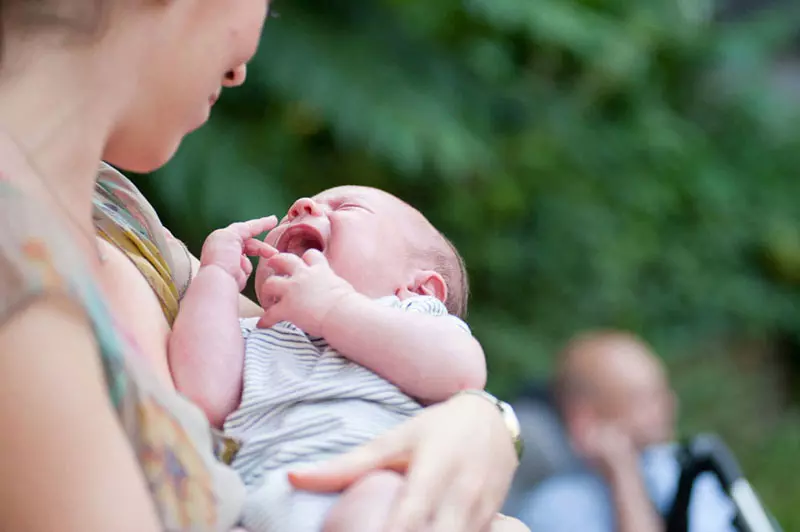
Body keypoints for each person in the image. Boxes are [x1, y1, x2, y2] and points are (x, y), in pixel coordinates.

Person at [0, 1, 528, 531]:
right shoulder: (22, 274)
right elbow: (208, 382)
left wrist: (485, 423)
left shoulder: (118, 210)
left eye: (345, 208)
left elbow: (455, 371)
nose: (241, 69)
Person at [169, 185, 490, 531]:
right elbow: (202, 395)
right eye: (299, 206)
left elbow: (462, 373)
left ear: (421, 288)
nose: (301, 205)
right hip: (258, 500)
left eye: (347, 207)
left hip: (368, 483)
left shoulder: (411, 314)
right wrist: (217, 275)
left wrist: (334, 308)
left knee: (382, 496)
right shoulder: (257, 331)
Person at [514, 331, 736, 532]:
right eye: (643, 399)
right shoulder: (556, 507)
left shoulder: (676, 468)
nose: (669, 406)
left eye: (662, 393)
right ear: (585, 416)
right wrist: (624, 474)